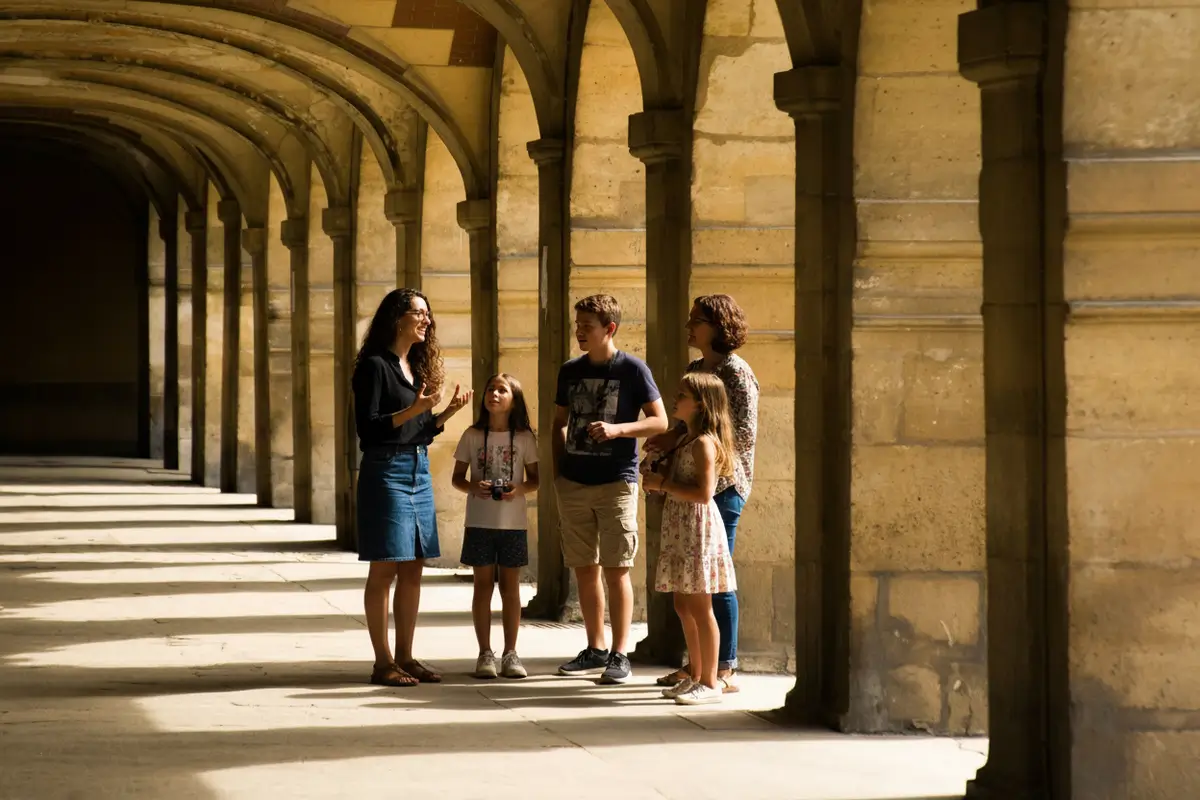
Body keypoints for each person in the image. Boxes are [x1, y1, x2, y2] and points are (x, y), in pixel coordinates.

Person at [353, 288, 472, 687]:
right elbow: (368, 429)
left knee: (414, 568)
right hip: (386, 471)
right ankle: (382, 661)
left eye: (428, 314)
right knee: (385, 567)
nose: (427, 320)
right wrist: (415, 409)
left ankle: (405, 655)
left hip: (418, 470)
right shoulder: (373, 366)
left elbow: (416, 429)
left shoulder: (412, 366)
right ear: (397, 318)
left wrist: (442, 416)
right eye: (419, 313)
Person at [553, 294, 669, 684]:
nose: (579, 331)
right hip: (573, 482)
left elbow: (660, 421)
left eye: (587, 325)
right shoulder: (569, 371)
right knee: (584, 569)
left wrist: (619, 430)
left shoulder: (633, 370)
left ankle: (620, 654)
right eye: (578, 324)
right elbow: (558, 423)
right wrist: (559, 471)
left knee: (617, 569)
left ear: (610, 328)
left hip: (616, 479)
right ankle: (595, 647)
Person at [647, 294, 759, 692]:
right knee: (691, 584)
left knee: (714, 579)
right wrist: (670, 441)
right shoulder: (696, 368)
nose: (689, 327)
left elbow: (741, 433)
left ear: (718, 324)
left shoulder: (736, 371)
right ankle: (697, 666)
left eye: (696, 320)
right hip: (690, 482)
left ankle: (723, 667)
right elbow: (688, 420)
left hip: (721, 488)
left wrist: (698, 452)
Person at [641, 372, 738, 705]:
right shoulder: (684, 441)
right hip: (680, 525)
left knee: (701, 605)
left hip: (696, 526)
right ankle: (695, 673)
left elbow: (704, 493)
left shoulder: (703, 444)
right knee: (683, 604)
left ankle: (710, 682)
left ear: (699, 403)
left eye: (682, 394)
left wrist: (663, 485)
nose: (675, 398)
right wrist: (654, 472)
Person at [451, 373, 538, 680]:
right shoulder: (472, 435)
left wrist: (519, 490)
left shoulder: (526, 438)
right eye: (491, 389)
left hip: (513, 523)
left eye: (502, 390)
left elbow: (535, 479)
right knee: (483, 586)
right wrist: (474, 487)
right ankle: (484, 652)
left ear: (514, 401)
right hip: (479, 521)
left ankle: (511, 653)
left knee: (511, 588)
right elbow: (457, 479)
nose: (495, 394)